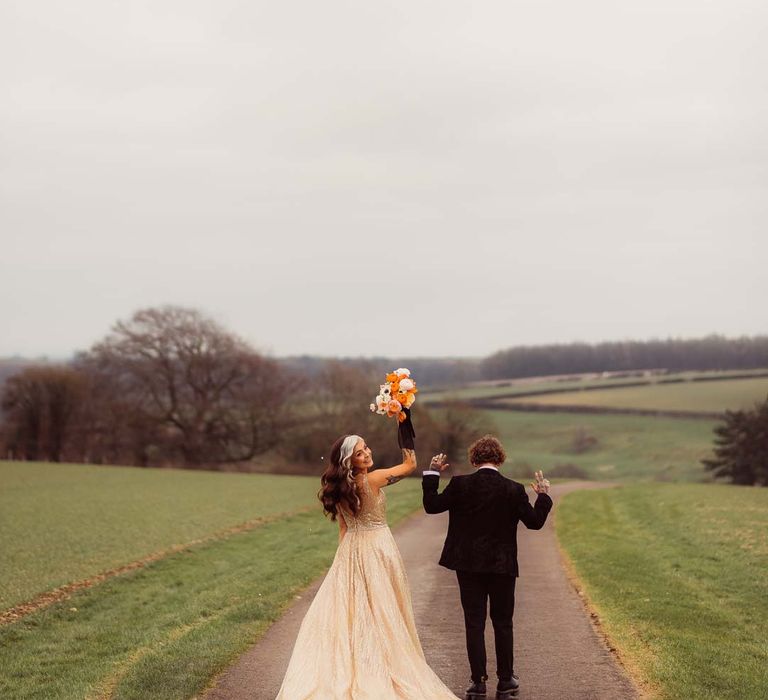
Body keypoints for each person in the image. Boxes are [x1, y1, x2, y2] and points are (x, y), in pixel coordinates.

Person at [275, 410, 459, 699]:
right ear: (351, 461)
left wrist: (342, 559)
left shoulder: (339, 488)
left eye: (366, 448)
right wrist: (404, 422)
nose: (367, 454)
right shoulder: (372, 480)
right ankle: (380, 663)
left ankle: (359, 658)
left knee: (353, 610)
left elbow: (344, 529)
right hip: (377, 547)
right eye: (360, 453)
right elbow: (410, 463)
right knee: (382, 608)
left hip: (351, 550)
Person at [422, 434, 553, 700]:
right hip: (502, 566)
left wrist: (432, 474)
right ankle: (505, 681)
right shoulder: (514, 489)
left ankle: (477, 683)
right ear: (500, 460)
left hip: (467, 565)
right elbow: (535, 523)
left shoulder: (459, 485)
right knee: (503, 622)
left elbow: (431, 505)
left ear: (474, 459)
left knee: (474, 623)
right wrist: (543, 497)